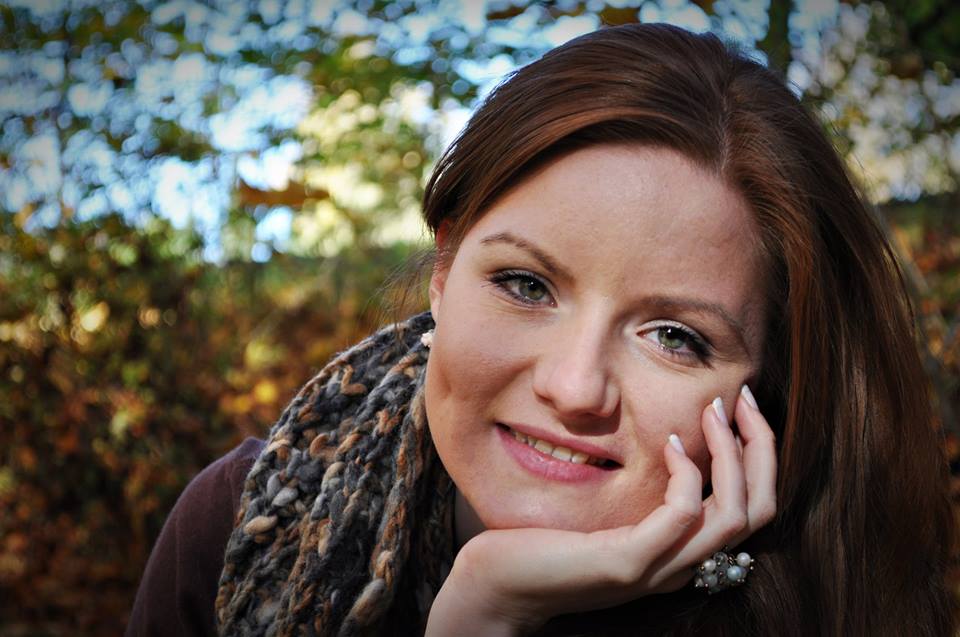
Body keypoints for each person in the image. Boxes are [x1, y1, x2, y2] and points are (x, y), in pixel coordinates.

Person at [126, 23, 956, 637]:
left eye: (674, 336)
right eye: (526, 285)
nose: (574, 385)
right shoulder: (241, 522)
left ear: (766, 388)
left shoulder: (833, 603)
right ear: (445, 270)